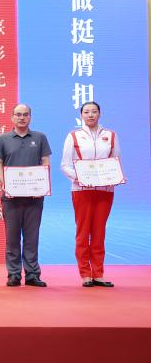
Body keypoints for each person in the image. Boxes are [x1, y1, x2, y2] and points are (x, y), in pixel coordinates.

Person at [60, 101, 120, 288]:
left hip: (104, 190)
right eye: (86, 112)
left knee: (99, 232)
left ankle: (98, 274)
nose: (90, 115)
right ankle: (85, 274)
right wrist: (80, 178)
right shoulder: (73, 136)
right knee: (83, 232)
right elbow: (65, 165)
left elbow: (115, 161)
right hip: (81, 190)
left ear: (100, 114)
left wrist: (115, 176)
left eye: (94, 111)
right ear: (81, 115)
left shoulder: (111, 135)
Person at [0, 103, 51, 288]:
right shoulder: (3, 139)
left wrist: (41, 183)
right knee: (12, 238)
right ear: (12, 117)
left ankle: (32, 274)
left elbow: (45, 162)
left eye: (25, 114)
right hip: (11, 197)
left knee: (32, 237)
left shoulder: (40, 137)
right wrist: (5, 183)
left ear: (30, 117)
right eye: (18, 114)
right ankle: (14, 274)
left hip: (34, 197)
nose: (22, 117)